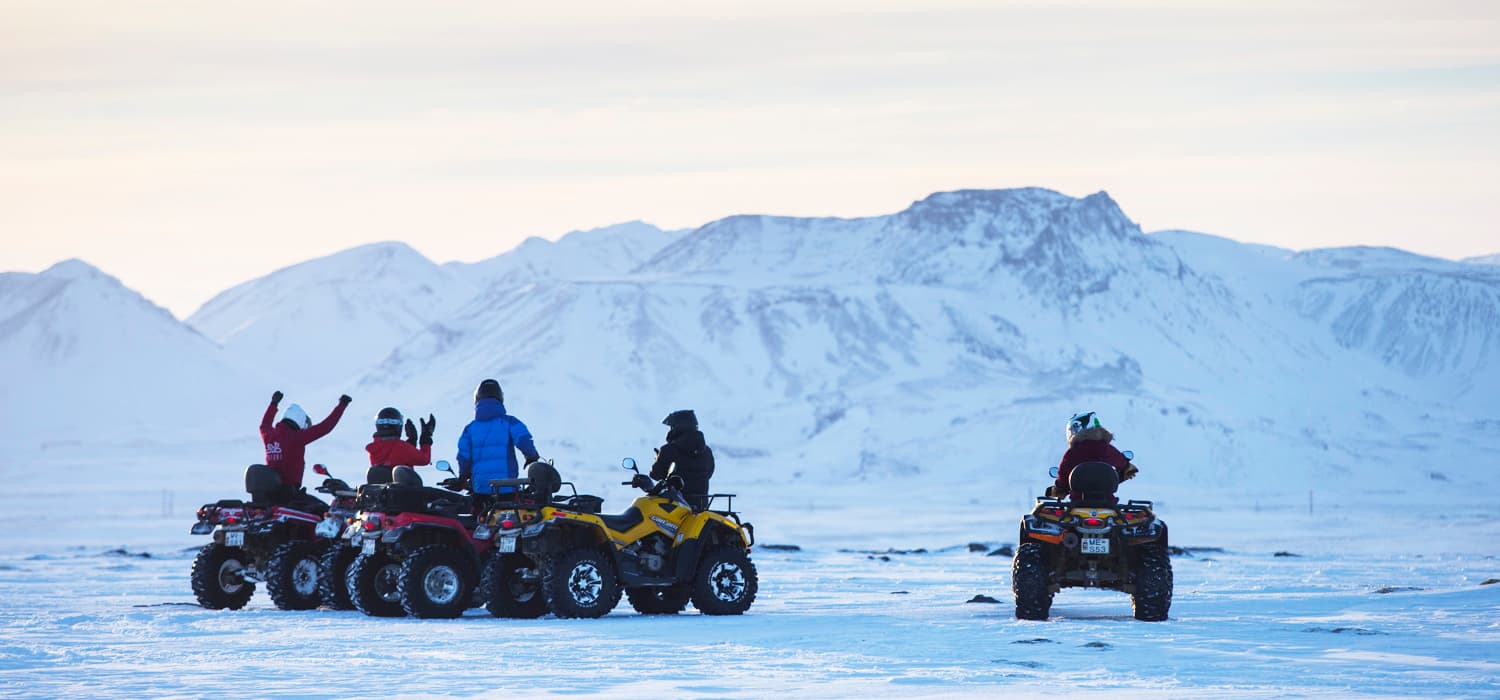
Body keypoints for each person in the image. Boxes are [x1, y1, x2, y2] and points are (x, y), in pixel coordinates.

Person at [259, 390, 350, 513]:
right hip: (289, 495)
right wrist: (342, 405)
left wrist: (273, 404)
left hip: (268, 495)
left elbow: (264, 425)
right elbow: (325, 427)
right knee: (325, 512)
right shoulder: (297, 437)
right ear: (300, 421)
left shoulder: (269, 435)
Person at [456, 379, 540, 510]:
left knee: (480, 524)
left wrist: (463, 476)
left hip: (480, 489)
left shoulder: (470, 429)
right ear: (500, 398)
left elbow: (463, 456)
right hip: (506, 487)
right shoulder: (509, 422)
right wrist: (531, 456)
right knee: (510, 524)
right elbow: (523, 439)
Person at [1052, 411, 1137, 501]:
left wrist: (1060, 489)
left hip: (1078, 503)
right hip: (1106, 502)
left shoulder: (1072, 453)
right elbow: (1120, 461)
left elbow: (1064, 475)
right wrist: (1127, 467)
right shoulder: (1106, 449)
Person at [649, 409, 715, 509]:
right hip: (700, 507)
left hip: (674, 507)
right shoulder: (707, 451)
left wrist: (659, 458)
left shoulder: (668, 450)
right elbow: (709, 473)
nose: (670, 430)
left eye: (672, 427)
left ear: (677, 428)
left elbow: (655, 474)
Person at [366, 406, 435, 484]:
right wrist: (426, 438)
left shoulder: (374, 449)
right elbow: (424, 460)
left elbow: (395, 458)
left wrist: (411, 442)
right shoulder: (402, 447)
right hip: (404, 493)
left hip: (382, 493)